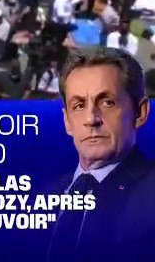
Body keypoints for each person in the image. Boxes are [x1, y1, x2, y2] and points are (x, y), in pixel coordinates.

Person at [49, 47, 155, 260]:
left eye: (107, 102)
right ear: (67, 121)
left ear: (140, 112)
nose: (91, 119)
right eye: (79, 106)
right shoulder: (43, 197)